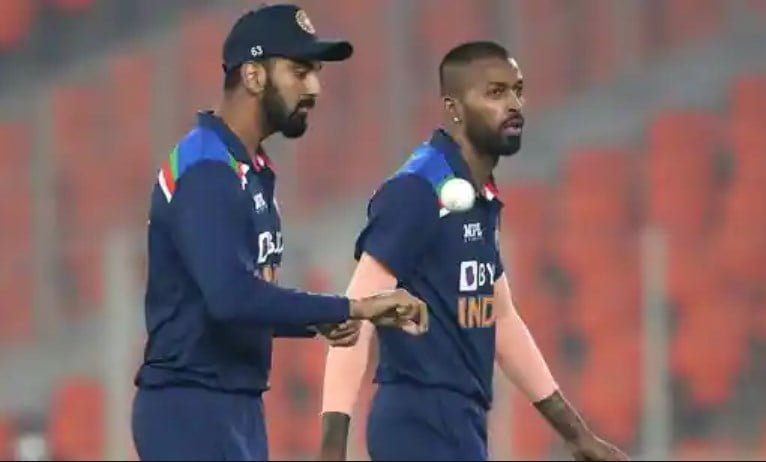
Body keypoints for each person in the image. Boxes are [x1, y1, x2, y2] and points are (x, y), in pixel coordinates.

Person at [131, 4, 426, 461]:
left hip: (233, 405)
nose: (314, 87)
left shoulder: (246, 167)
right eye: (300, 71)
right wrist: (349, 308)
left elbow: (234, 300)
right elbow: (230, 298)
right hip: (191, 408)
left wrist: (321, 318)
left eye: (316, 73)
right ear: (253, 75)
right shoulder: (208, 169)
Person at [318, 41, 627, 461]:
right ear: (455, 107)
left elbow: (500, 317)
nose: (514, 104)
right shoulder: (418, 189)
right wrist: (332, 446)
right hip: (418, 424)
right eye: (496, 93)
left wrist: (576, 434)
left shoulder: (477, 196)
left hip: (463, 424)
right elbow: (355, 314)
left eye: (518, 90)